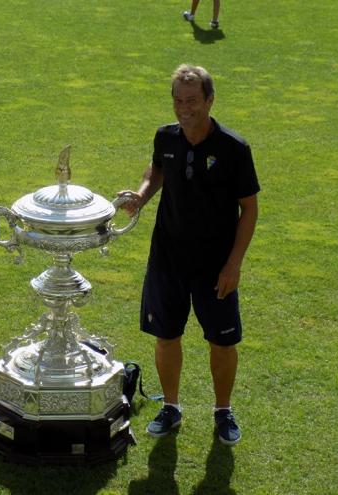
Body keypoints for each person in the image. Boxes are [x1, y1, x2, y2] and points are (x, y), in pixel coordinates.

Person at [119, 65, 259, 445]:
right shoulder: (166, 137)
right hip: (167, 258)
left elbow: (250, 208)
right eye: (178, 101)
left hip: (215, 266)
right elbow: (157, 170)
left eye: (192, 101)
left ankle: (223, 411)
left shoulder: (234, 148)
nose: (184, 109)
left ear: (210, 101)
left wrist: (234, 264)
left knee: (222, 341)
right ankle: (172, 407)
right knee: (166, 336)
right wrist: (142, 194)